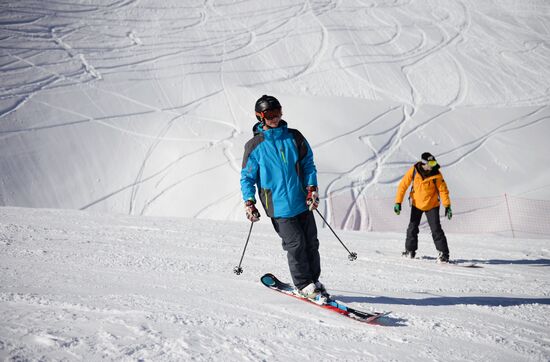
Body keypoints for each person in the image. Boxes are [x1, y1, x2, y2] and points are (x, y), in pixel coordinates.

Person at [240, 94, 328, 303]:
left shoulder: (294, 137)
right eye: (270, 115)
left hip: (301, 201)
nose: (275, 118)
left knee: (311, 243)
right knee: (295, 244)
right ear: (260, 117)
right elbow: (247, 177)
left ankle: (314, 282)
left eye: (278, 113)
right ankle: (303, 284)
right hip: (277, 206)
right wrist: (249, 202)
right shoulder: (254, 146)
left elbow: (308, 164)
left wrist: (312, 188)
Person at [394, 152, 453, 263]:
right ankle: (410, 251)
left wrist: (447, 206)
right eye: (431, 163)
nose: (433, 165)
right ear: (424, 163)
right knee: (412, 228)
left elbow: (443, 190)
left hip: (432, 205)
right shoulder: (414, 170)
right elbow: (403, 185)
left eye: (434, 162)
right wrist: (398, 202)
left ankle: (444, 254)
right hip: (417, 204)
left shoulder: (437, 174)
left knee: (436, 229)